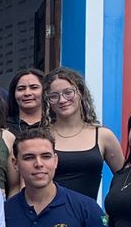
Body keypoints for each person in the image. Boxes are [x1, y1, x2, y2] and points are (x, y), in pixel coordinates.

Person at [46, 68, 124, 200]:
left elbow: (124, 180)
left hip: (88, 217)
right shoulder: (42, 136)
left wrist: (113, 209)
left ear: (80, 93)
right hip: (48, 216)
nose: (62, 100)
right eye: (54, 96)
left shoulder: (103, 136)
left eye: (68, 92)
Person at [7, 68, 48, 134]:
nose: (27, 93)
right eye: (21, 89)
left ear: (45, 91)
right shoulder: (3, 126)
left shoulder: (54, 125)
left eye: (34, 87)